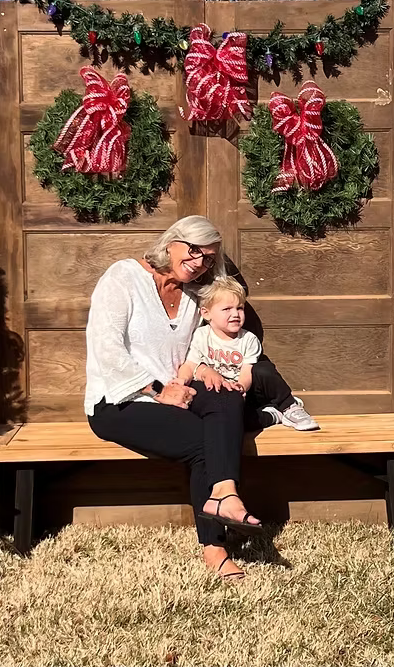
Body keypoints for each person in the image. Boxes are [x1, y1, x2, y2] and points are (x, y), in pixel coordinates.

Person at [84, 215, 272, 581]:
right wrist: (156, 390)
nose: (199, 261)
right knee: (207, 440)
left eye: (208, 257)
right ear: (171, 243)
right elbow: (107, 349)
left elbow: (194, 349)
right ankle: (215, 546)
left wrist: (204, 370)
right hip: (120, 401)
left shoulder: (194, 296)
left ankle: (223, 493)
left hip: (179, 391)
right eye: (193, 250)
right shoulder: (123, 277)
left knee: (227, 395)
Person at [177, 276, 319, 432]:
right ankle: (274, 415)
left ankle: (289, 405)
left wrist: (241, 388)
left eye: (239, 308)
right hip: (224, 396)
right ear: (206, 313)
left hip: (246, 391)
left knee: (264, 370)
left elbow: (247, 371)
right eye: (227, 309)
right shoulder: (201, 336)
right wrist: (180, 381)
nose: (235, 314)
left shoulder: (248, 339)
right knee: (232, 424)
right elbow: (190, 365)